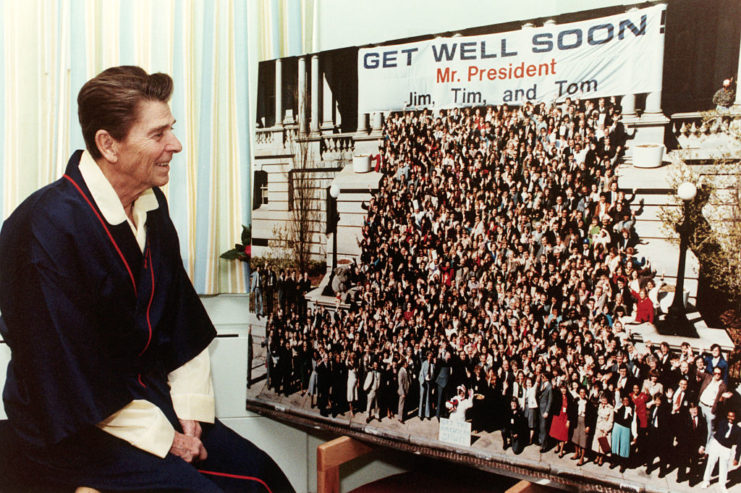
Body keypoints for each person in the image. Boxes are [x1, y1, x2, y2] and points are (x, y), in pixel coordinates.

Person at [0, 66, 293, 492]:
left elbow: (178, 314)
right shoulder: (41, 229)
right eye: (158, 135)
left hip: (149, 404)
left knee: (264, 478)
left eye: (170, 130)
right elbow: (65, 377)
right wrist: (165, 438)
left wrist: (190, 409)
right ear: (108, 144)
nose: (174, 145)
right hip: (71, 428)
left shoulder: (150, 207)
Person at [700, 410, 741, 491]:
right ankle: (706, 481)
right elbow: (721, 435)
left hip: (727, 448)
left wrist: (736, 458)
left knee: (724, 466)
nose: (730, 418)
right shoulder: (722, 422)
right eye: (729, 416)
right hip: (717, 444)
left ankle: (722, 485)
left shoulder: (738, 429)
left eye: (732, 416)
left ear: (735, 417)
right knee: (711, 462)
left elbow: (739, 445)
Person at [677, 403, 707, 484]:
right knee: (683, 462)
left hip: (696, 446)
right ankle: (681, 477)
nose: (694, 411)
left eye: (696, 409)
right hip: (685, 445)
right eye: (692, 409)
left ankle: (692, 480)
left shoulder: (702, 420)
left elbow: (704, 434)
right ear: (689, 410)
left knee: (694, 463)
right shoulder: (685, 419)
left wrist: (702, 446)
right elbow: (680, 432)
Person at [549, 384, 572, 458]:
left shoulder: (569, 397)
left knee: (563, 435)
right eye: (562, 389)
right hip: (558, 416)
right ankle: (557, 446)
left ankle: (561, 451)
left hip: (565, 417)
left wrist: (569, 420)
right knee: (556, 433)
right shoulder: (557, 396)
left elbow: (571, 409)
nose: (563, 390)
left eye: (564, 389)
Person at [592, 393, 614, 467]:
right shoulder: (600, 406)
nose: (604, 400)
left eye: (605, 399)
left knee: (603, 444)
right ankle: (597, 456)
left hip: (605, 427)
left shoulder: (610, 408)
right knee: (597, 443)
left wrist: (606, 430)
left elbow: (611, 420)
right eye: (602, 399)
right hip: (599, 426)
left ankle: (601, 458)